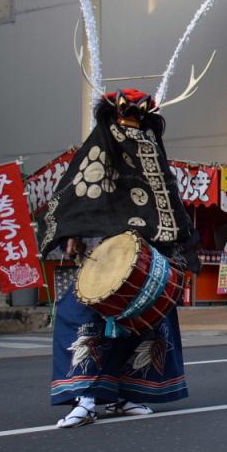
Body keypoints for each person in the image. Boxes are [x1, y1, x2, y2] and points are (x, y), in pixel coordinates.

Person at [40, 89, 198, 428]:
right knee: (79, 318)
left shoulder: (153, 154)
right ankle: (85, 398)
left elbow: (170, 208)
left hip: (148, 261)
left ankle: (128, 394)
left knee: (147, 323)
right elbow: (74, 197)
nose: (131, 127)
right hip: (102, 260)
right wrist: (72, 235)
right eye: (125, 117)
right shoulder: (97, 154)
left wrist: (177, 256)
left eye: (138, 119)